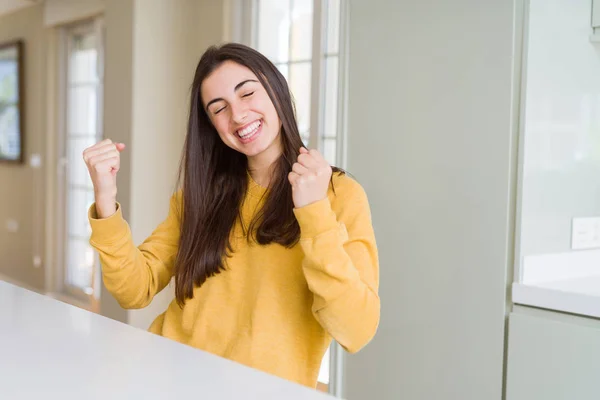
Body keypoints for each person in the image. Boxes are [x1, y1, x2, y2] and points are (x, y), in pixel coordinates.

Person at [83, 43, 380, 388]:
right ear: (211, 126)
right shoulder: (199, 196)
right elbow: (135, 289)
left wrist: (313, 211)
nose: (237, 116)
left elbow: (356, 329)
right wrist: (105, 196)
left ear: (276, 89)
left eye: (247, 93)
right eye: (218, 109)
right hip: (164, 377)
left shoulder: (339, 195)